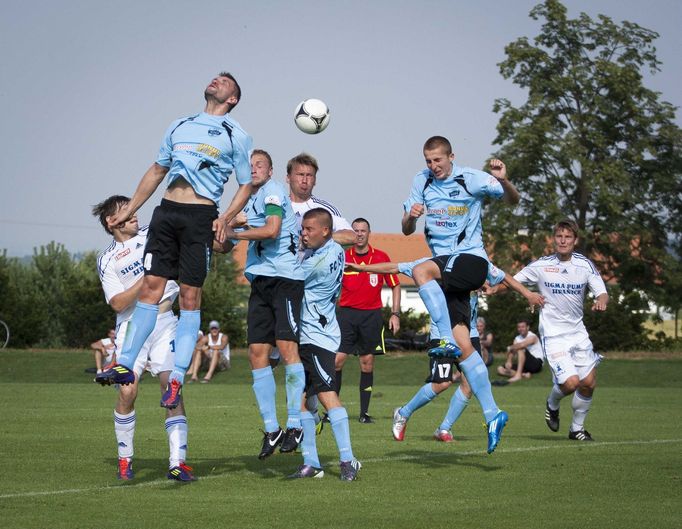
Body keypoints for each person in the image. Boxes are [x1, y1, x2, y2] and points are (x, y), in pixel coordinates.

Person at [96, 72, 253, 413]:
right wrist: (131, 211)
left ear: (233, 98)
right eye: (214, 78)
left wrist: (224, 218)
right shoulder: (179, 125)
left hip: (200, 217)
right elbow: (155, 171)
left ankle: (178, 375)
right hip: (166, 212)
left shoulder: (236, 134)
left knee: (189, 295)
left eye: (223, 81)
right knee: (151, 286)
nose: (215, 81)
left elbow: (245, 184)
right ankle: (124, 363)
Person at [396, 135, 520, 453]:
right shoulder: (421, 181)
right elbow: (406, 228)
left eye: (438, 160)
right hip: (449, 278)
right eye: (428, 160)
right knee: (467, 350)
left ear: (451, 156)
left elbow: (513, 201)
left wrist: (505, 181)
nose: (433, 166)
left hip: (467, 260)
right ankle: (493, 414)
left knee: (422, 270)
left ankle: (443, 342)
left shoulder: (471, 178)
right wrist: (412, 216)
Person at [346, 259, 543, 448]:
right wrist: (363, 269)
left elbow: (504, 280)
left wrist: (496, 289)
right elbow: (395, 267)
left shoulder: (474, 262)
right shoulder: (432, 263)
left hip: (469, 331)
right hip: (443, 333)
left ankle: (444, 428)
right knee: (442, 383)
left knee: (469, 385)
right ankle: (403, 412)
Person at [92, 195, 195, 482]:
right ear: (112, 222)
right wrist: (149, 279)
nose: (135, 214)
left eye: (134, 209)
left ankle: (178, 462)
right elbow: (117, 303)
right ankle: (125, 459)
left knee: (171, 389)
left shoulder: (154, 233)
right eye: (127, 211)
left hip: (166, 322)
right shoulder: (107, 259)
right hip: (132, 325)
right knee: (128, 391)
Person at [221, 149, 306, 459]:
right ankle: (272, 430)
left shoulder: (272, 191)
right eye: (250, 165)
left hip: (285, 280)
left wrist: (234, 230)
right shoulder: (244, 200)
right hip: (260, 281)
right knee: (257, 353)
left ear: (270, 173)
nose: (254, 169)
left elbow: (272, 230)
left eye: (260, 165)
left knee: (286, 349)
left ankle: (295, 424)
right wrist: (218, 233)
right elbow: (227, 240)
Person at [512, 219, 608, 441]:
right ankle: (552, 402)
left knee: (589, 383)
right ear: (553, 239)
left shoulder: (585, 265)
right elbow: (513, 282)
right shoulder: (542, 265)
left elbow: (602, 292)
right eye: (559, 236)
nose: (563, 240)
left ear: (575, 241)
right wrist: (492, 287)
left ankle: (577, 430)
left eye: (568, 237)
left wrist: (601, 301)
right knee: (571, 383)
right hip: (554, 335)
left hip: (578, 333)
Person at [288, 208, 361, 481]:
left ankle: (347, 460)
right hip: (310, 334)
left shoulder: (319, 260)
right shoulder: (330, 251)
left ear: (325, 231)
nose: (303, 233)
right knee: (304, 402)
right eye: (303, 229)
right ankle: (312, 463)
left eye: (308, 229)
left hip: (318, 337)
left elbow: (288, 279)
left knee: (328, 396)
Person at [335, 217, 401, 423]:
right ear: (351, 234)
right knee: (336, 361)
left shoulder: (381, 257)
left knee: (367, 363)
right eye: (356, 231)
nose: (360, 234)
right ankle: (333, 410)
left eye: (363, 230)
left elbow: (396, 285)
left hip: (371, 316)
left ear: (369, 233)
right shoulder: (342, 257)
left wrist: (395, 313)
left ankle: (363, 413)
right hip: (345, 314)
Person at [286, 153, 356, 246]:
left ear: (315, 181)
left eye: (309, 175)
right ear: (288, 178)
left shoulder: (324, 209)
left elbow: (351, 236)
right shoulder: (277, 205)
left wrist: (318, 238)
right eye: (300, 174)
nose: (304, 180)